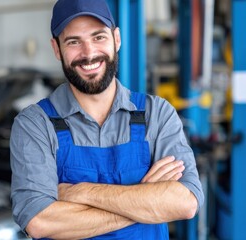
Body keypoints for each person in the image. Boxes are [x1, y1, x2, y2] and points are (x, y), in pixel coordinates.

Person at [10, 0, 204, 239]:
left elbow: (185, 203)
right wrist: (145, 201)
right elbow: (40, 221)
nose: (89, 53)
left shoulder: (157, 114)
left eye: (98, 37)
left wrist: (83, 193)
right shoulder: (35, 124)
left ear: (117, 39)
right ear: (56, 48)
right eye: (73, 42)